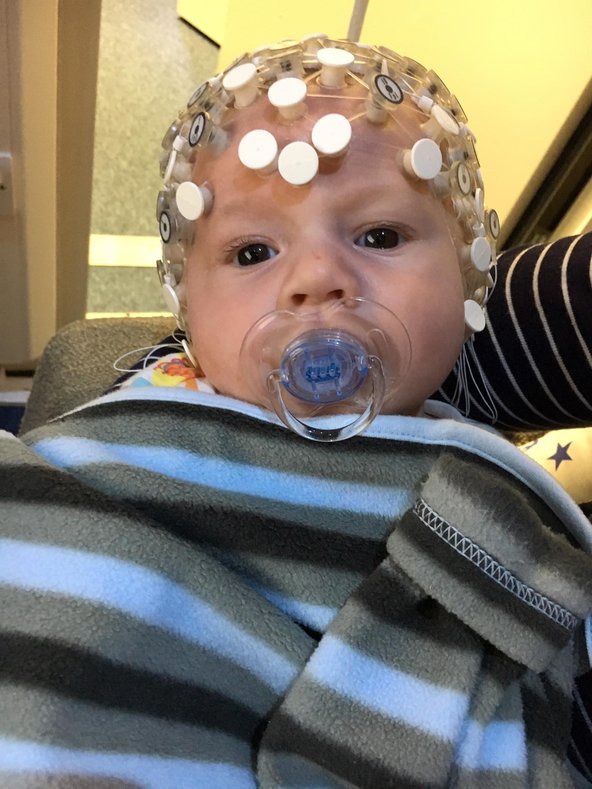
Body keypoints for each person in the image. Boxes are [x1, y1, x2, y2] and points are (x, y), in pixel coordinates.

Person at [1, 34, 591, 788]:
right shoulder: (148, 411)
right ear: (187, 309)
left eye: (379, 235)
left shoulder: (482, 476)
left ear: (470, 281)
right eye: (252, 253)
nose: (315, 279)